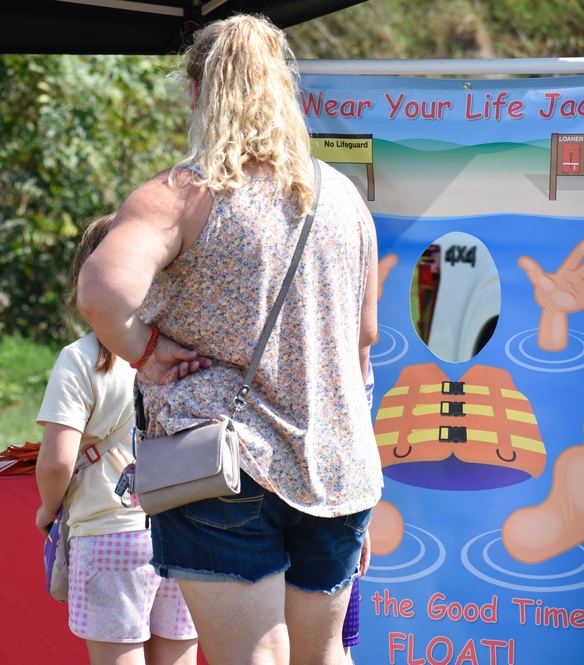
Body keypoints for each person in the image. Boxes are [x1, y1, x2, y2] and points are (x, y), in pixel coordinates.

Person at [76, 14, 381, 665]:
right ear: (282, 88)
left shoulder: (180, 196)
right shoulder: (343, 198)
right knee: (324, 653)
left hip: (219, 461)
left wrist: (147, 352)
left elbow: (100, 291)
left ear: (196, 91)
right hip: (334, 462)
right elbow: (365, 342)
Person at [35, 214, 199, 665]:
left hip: (110, 535)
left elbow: (56, 462)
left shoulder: (80, 359)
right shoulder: (185, 349)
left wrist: (48, 510)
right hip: (184, 530)